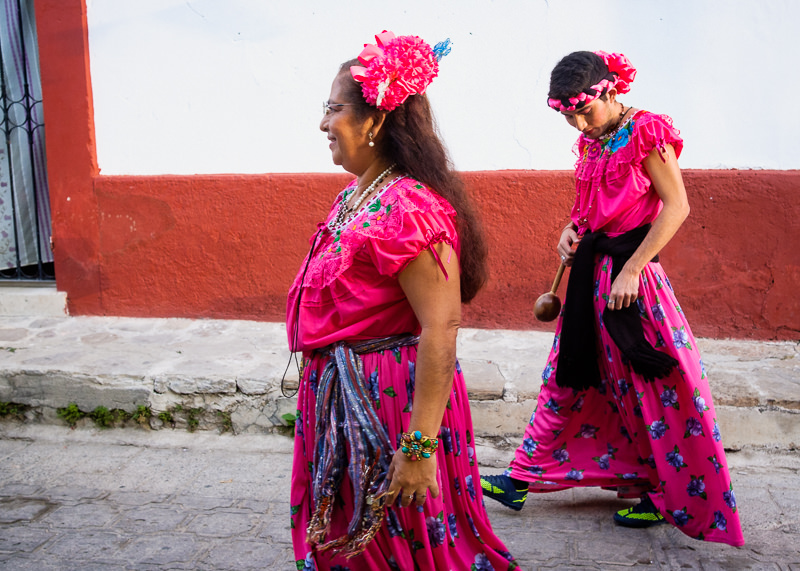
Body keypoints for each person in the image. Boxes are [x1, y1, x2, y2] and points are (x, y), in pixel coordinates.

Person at [480, 50, 744, 547]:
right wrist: (569, 230)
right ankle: (520, 478)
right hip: (590, 280)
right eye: (567, 115)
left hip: (634, 283)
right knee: (569, 377)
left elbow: (677, 206)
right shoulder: (592, 141)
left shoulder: (647, 131)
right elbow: (588, 209)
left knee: (657, 389)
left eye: (583, 110)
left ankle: (668, 495)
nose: (577, 122)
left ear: (610, 90)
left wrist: (633, 269)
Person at [286, 31, 520, 570]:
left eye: (333, 109)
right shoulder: (355, 197)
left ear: (375, 120)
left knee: (399, 543)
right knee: (350, 535)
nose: (323, 124)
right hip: (338, 393)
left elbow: (441, 327)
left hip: (390, 401)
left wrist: (418, 449)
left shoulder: (409, 210)